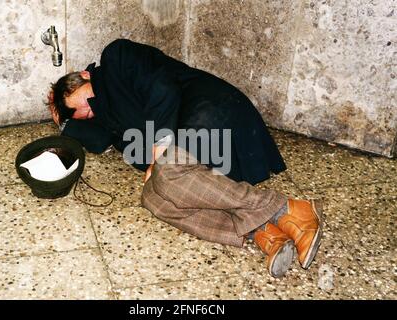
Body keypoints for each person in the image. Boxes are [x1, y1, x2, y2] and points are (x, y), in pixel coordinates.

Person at [46, 38, 323, 277]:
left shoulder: (116, 56)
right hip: (186, 151)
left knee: (167, 175)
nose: (86, 112)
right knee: (153, 199)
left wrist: (157, 152)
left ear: (84, 75)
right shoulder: (108, 118)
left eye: (81, 103)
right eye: (81, 114)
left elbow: (162, 88)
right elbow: (97, 141)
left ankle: (287, 208)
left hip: (211, 112)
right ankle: (263, 231)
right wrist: (63, 120)